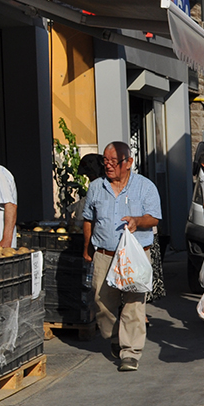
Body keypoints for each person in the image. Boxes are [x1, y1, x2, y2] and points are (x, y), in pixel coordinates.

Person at [82, 142, 163, 372]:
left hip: (135, 255)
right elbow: (88, 219)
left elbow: (155, 218)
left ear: (128, 163)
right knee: (101, 301)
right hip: (104, 255)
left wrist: (138, 221)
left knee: (134, 303)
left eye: (113, 162)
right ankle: (115, 337)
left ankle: (130, 352)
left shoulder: (145, 187)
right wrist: (86, 247)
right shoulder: (96, 187)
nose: (108, 166)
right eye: (105, 161)